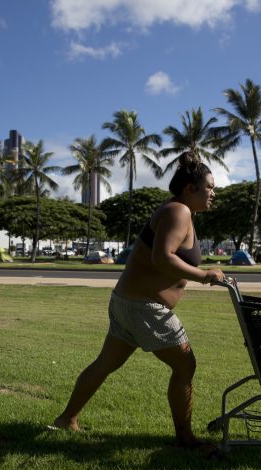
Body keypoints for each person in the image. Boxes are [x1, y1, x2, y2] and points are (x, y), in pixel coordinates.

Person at [53, 152, 225, 452]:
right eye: (209, 187)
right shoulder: (178, 211)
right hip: (144, 307)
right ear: (190, 188)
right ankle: (185, 439)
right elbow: (163, 257)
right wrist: (203, 275)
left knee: (105, 363)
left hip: (129, 302)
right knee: (185, 365)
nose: (214, 193)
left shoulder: (183, 213)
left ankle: (66, 419)